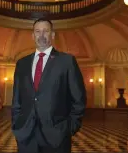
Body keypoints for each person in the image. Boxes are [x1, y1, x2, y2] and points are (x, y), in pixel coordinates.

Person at [11, 18, 86, 153]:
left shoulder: (67, 61)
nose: (41, 35)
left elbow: (79, 99)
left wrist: (69, 128)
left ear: (52, 35)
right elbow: (17, 100)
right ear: (33, 36)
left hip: (57, 137)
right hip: (26, 136)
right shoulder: (21, 63)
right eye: (38, 31)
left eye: (46, 31)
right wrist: (17, 124)